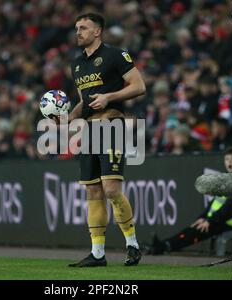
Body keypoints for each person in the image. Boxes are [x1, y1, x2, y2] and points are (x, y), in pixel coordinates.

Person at [66, 13, 146, 267]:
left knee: (111, 189)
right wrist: (67, 119)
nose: (78, 32)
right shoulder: (77, 64)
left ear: (97, 31)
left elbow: (139, 85)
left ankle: (132, 244)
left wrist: (110, 97)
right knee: (93, 190)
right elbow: (83, 101)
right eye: (77, 28)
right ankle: (98, 253)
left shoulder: (115, 55)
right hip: (89, 130)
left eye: (83, 28)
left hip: (111, 124)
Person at [145, 147, 232, 255]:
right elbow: (214, 203)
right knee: (194, 227)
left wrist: (210, 220)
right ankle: (163, 245)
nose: (229, 162)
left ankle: (163, 246)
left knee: (196, 231)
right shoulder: (228, 180)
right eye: (227, 159)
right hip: (220, 220)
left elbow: (229, 208)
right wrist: (203, 217)